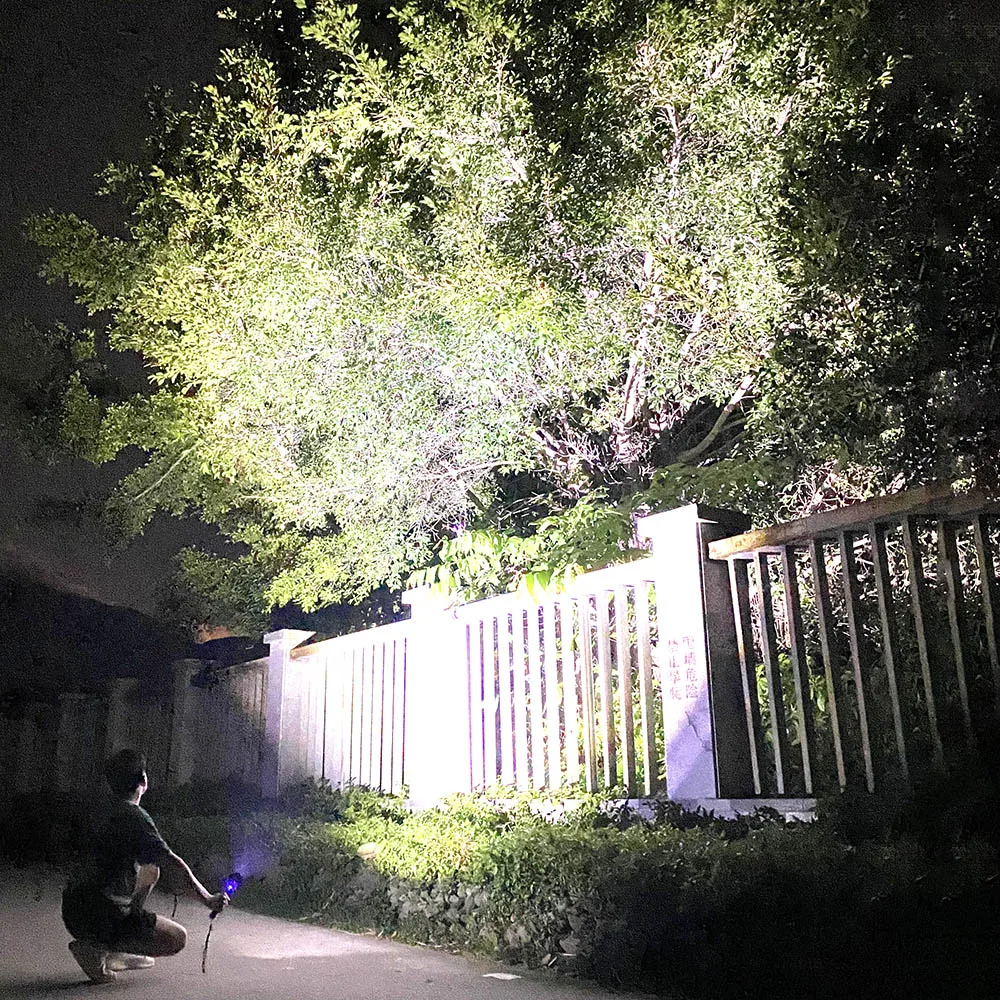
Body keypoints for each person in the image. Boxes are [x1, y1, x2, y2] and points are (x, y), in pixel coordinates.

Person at [62, 747, 229, 984]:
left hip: (73, 911)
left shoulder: (100, 809)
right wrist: (208, 899)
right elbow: (173, 864)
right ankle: (98, 948)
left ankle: (110, 944)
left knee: (151, 870)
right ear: (143, 780)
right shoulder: (135, 817)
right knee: (176, 938)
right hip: (101, 916)